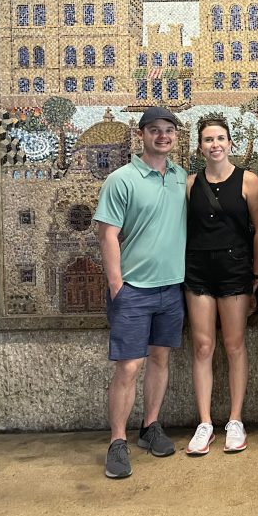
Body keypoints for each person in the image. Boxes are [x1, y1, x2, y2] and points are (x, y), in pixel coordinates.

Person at [94, 106, 187, 479]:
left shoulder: (180, 176)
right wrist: (117, 285)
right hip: (133, 290)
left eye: (169, 130)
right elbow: (106, 234)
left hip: (171, 288)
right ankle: (118, 441)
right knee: (129, 367)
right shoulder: (121, 179)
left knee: (160, 360)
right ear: (142, 135)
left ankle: (150, 427)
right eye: (155, 130)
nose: (162, 136)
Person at [183, 117, 258, 456]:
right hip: (198, 271)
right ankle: (204, 422)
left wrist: (256, 277)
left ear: (230, 143)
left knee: (234, 345)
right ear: (200, 146)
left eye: (220, 138)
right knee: (203, 346)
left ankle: (235, 420)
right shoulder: (189, 184)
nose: (214, 144)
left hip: (235, 272)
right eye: (207, 139)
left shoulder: (249, 182)